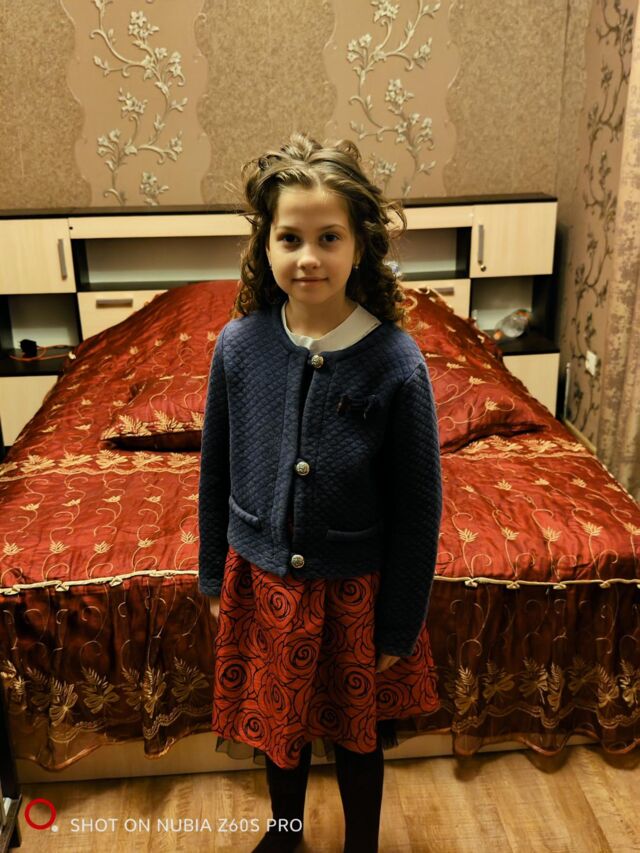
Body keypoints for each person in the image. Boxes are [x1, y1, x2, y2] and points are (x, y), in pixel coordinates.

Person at [198, 131, 443, 853]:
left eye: (328, 237)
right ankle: (286, 834)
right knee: (281, 729)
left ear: (360, 246)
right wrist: (213, 575)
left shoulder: (396, 360)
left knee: (356, 735)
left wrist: (399, 626)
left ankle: (361, 843)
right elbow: (213, 470)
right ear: (266, 246)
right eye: (291, 238)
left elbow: (419, 507)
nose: (308, 256)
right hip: (264, 580)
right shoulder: (238, 346)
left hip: (356, 590)